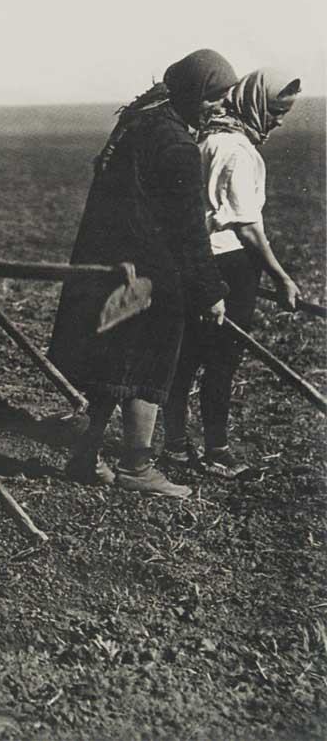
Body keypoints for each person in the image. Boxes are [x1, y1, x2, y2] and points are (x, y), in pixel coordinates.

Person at [48, 49, 236, 498]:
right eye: (214, 97)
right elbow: (189, 229)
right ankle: (136, 465)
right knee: (151, 366)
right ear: (193, 91)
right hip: (151, 271)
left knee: (111, 362)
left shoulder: (140, 119)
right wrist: (210, 290)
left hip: (114, 264)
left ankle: (85, 457)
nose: (220, 107)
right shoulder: (176, 144)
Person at [162, 69, 302, 477]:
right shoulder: (238, 150)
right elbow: (247, 226)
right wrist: (279, 276)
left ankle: (174, 445)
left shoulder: (206, 136)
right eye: (275, 111)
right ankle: (217, 453)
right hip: (229, 263)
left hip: (195, 260)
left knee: (185, 357)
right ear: (255, 102)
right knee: (222, 361)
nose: (277, 121)